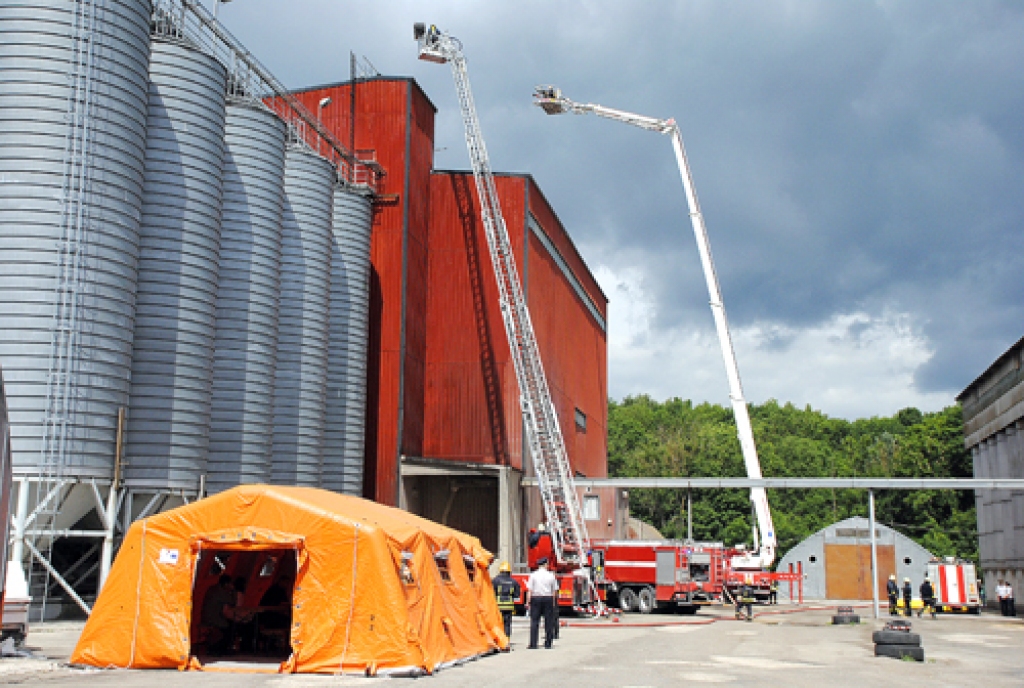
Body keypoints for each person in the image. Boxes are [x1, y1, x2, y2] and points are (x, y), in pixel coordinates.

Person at [525, 557, 557, 649]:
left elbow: (529, 590)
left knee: (534, 621)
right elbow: (554, 590)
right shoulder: (551, 575)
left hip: (536, 598)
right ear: (545, 564)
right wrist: (553, 602)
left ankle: (533, 643)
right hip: (548, 598)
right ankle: (548, 643)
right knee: (548, 622)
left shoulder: (533, 575)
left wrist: (528, 602)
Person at [201, 574, 237, 655]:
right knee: (229, 627)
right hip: (213, 618)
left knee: (228, 625)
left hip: (206, 616)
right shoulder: (221, 592)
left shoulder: (212, 589)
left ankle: (219, 647)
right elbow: (232, 602)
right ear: (226, 584)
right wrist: (233, 591)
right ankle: (221, 648)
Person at [492, 561, 521, 644]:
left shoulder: (496, 580)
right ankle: (507, 640)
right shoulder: (514, 581)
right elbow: (517, 595)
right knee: (507, 624)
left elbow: (491, 592)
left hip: (498, 606)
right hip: (509, 606)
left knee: (498, 623)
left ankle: (499, 640)